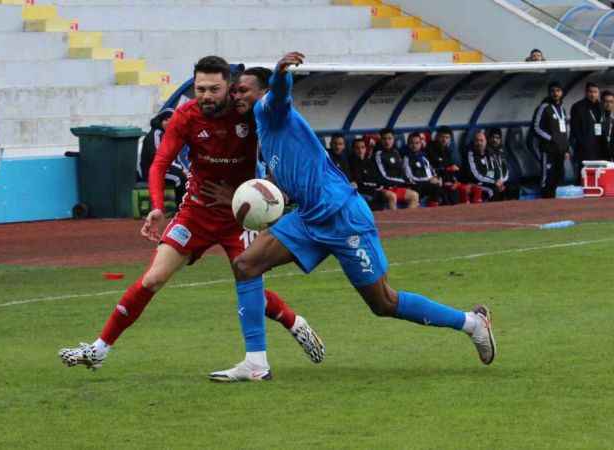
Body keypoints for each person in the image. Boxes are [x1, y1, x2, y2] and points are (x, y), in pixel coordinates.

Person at [212, 51, 496, 382]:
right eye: (234, 92)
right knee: (246, 266)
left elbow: (280, 93)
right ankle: (256, 363)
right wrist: (247, 201)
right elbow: (280, 187)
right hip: (309, 218)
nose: (237, 96)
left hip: (343, 215)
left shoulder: (269, 109)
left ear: (261, 92)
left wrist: (281, 73)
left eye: (243, 90)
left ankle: (472, 323)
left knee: (384, 303)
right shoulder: (265, 130)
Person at [59, 58, 324, 374]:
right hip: (196, 211)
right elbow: (159, 163)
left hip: (241, 216)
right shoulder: (185, 116)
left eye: (214, 89)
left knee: (249, 283)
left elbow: (278, 160)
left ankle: (289, 328)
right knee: (154, 278)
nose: (207, 95)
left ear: (230, 87)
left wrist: (263, 198)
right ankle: (99, 349)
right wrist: (157, 206)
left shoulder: (250, 116)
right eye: (200, 89)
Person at [137, 108, 189, 206]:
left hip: (166, 169)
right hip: (151, 171)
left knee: (188, 177)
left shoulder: (172, 135)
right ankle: (181, 208)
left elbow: (177, 158)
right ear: (160, 121)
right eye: (166, 120)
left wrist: (184, 170)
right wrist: (180, 170)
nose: (169, 122)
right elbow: (158, 158)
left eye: (172, 119)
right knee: (179, 178)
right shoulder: (156, 134)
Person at [533, 81, 571, 198]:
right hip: (548, 150)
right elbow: (536, 127)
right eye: (553, 91)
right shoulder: (544, 107)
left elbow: (565, 132)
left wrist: (566, 149)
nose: (555, 93)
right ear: (549, 93)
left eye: (558, 91)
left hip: (560, 151)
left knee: (558, 176)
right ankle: (545, 200)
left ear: (562, 93)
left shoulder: (563, 110)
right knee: (547, 177)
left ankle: (554, 204)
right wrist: (551, 138)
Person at [374, 128, 419, 209]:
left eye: (389, 138)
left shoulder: (396, 153)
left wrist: (407, 182)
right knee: (392, 196)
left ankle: (408, 219)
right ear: (381, 140)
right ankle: (394, 220)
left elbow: (402, 171)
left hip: (396, 187)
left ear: (393, 139)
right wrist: (402, 182)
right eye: (384, 139)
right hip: (384, 188)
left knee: (414, 195)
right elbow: (383, 176)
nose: (387, 141)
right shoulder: (378, 154)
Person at [348, 137, 396, 210]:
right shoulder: (350, 163)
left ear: (365, 149)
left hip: (373, 191)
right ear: (353, 149)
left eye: (362, 147)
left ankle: (394, 218)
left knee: (390, 195)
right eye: (357, 148)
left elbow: (376, 180)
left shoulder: (370, 162)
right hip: (362, 193)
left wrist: (376, 186)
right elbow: (357, 182)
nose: (360, 150)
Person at [570, 82, 605, 167]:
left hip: (600, 148)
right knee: (584, 174)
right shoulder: (577, 107)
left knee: (599, 174)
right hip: (584, 149)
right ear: (585, 92)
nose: (593, 94)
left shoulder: (601, 106)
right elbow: (575, 129)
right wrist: (583, 144)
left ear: (598, 93)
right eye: (590, 92)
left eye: (595, 92)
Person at [403, 133, 442, 207]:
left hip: (426, 183)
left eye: (417, 143)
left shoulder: (423, 157)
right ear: (408, 144)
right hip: (415, 185)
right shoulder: (407, 158)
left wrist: (436, 178)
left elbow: (431, 170)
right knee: (434, 187)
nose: (414, 145)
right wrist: (428, 180)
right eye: (412, 143)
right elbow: (409, 177)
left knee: (439, 184)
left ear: (421, 144)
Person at [486, 128, 519, 201]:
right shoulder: (486, 152)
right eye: (493, 137)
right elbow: (487, 171)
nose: (495, 140)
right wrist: (495, 182)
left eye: (497, 138)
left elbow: (506, 169)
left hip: (502, 181)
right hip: (491, 182)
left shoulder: (503, 152)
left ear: (500, 139)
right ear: (489, 138)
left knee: (514, 188)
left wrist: (502, 181)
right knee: (496, 191)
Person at [600, 90, 614, 161]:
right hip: (598, 156)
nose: (609, 104)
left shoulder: (612, 120)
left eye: (611, 102)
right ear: (601, 102)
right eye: (606, 101)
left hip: (611, 157)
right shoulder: (596, 119)